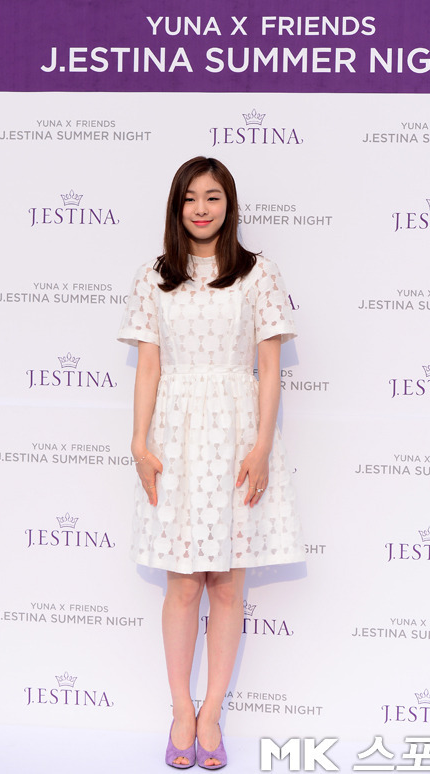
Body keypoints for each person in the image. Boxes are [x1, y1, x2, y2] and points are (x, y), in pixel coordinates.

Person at [118, 157, 304, 769]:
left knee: (227, 584)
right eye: (191, 198)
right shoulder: (154, 277)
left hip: (237, 435)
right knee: (181, 584)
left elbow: (269, 366)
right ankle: (180, 710)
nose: (202, 209)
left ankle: (213, 713)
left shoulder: (258, 273)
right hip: (174, 436)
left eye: (213, 197)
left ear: (230, 204)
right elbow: (149, 366)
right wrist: (139, 443)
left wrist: (262, 447)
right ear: (177, 207)